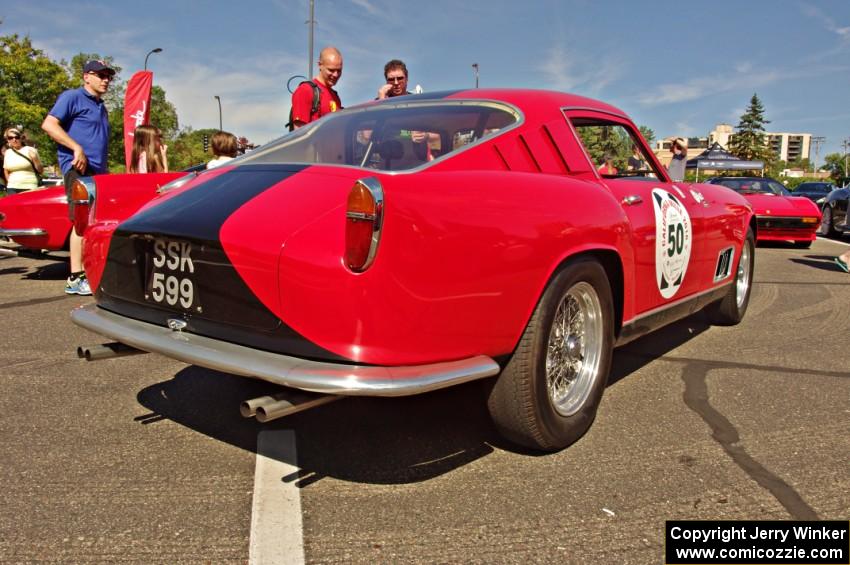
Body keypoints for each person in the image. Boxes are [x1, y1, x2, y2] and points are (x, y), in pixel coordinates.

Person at [41, 59, 114, 296]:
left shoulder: (100, 106)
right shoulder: (72, 97)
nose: (106, 80)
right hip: (78, 168)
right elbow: (49, 125)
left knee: (94, 222)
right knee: (81, 222)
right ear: (86, 76)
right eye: (101, 75)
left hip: (97, 171)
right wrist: (76, 148)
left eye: (108, 76)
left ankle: (90, 271)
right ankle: (75, 277)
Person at [290, 46, 343, 129]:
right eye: (331, 70)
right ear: (320, 65)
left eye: (339, 70)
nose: (336, 75)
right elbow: (299, 134)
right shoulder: (305, 90)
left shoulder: (335, 96)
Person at [3, 128, 44, 194]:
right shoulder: (8, 152)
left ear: (21, 138)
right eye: (11, 138)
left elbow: (41, 171)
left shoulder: (31, 150)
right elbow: (6, 170)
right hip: (12, 187)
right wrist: (10, 182)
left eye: (17, 137)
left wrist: (35, 158)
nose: (14, 140)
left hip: (30, 186)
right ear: (8, 140)